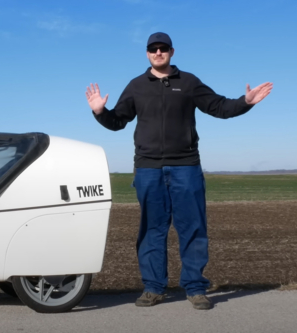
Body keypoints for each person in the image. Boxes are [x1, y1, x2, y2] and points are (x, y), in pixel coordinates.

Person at [85, 32, 272, 310]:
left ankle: (195, 288)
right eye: (153, 49)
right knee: (152, 230)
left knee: (193, 228)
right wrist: (100, 112)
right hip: (148, 168)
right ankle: (153, 288)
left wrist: (245, 102)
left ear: (172, 51)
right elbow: (117, 122)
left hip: (186, 166)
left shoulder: (189, 82)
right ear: (147, 53)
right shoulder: (136, 86)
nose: (158, 52)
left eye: (163, 48)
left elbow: (219, 107)